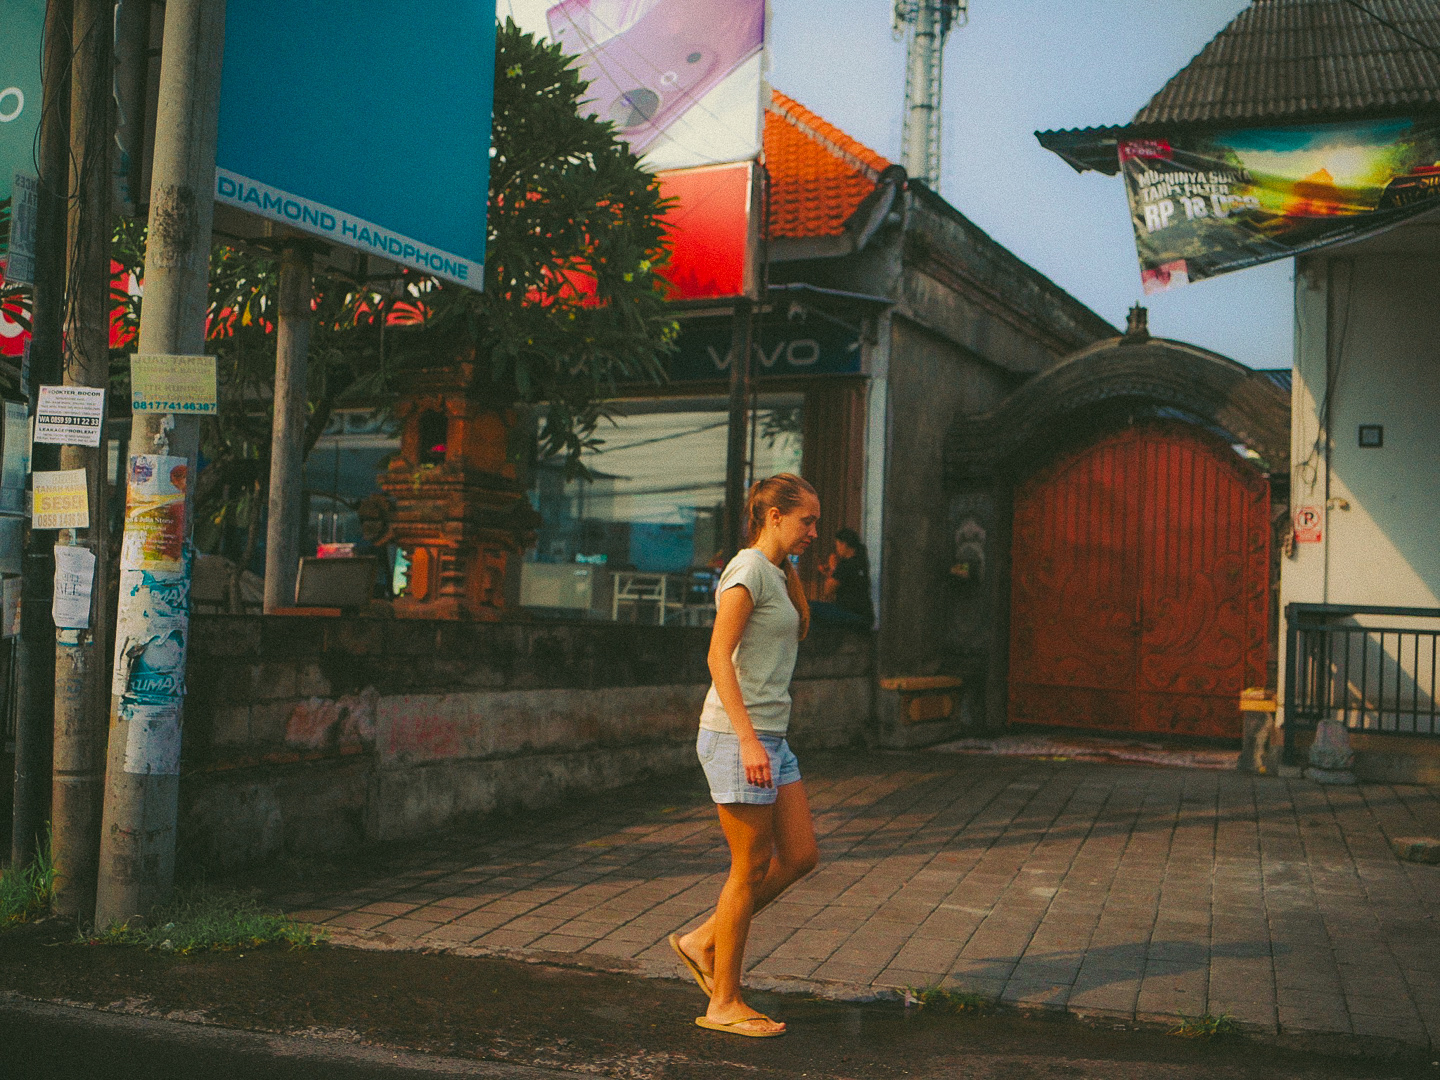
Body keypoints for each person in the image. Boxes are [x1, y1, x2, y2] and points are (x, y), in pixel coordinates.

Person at [669, 474, 821, 1038]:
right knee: (749, 866)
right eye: (806, 520)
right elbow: (717, 656)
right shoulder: (748, 570)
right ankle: (724, 1001)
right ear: (774, 516)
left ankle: (703, 939)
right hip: (741, 738)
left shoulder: (781, 574)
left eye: (816, 521)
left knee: (801, 855)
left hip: (771, 737)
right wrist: (749, 739)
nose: (814, 531)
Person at [819, 527, 874, 627]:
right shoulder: (860, 562)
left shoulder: (846, 564)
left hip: (849, 613)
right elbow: (844, 582)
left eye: (837, 545)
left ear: (843, 544)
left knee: (809, 608)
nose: (837, 549)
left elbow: (828, 590)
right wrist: (830, 573)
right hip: (865, 614)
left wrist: (833, 568)